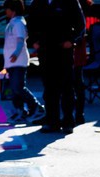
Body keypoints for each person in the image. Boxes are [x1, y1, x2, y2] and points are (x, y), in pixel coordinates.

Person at [28, 0, 85, 134]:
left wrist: (72, 40)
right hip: (45, 49)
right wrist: (33, 41)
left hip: (63, 49)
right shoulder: (38, 3)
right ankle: (51, 121)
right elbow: (30, 23)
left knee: (66, 87)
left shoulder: (69, 2)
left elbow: (81, 24)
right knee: (49, 87)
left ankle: (67, 121)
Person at [2, 0, 44, 125]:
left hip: (18, 61)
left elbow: (20, 41)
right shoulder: (11, 23)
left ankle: (36, 107)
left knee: (18, 87)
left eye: (7, 9)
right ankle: (20, 111)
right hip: (11, 62)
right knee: (15, 89)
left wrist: (15, 53)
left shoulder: (19, 23)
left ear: (13, 9)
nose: (5, 11)